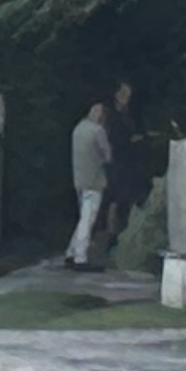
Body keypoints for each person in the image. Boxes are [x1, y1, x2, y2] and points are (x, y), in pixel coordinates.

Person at [65, 84, 123, 267]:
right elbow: (108, 155)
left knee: (83, 217)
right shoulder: (98, 131)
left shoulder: (78, 129)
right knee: (88, 219)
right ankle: (80, 257)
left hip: (79, 179)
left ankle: (71, 252)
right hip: (94, 181)